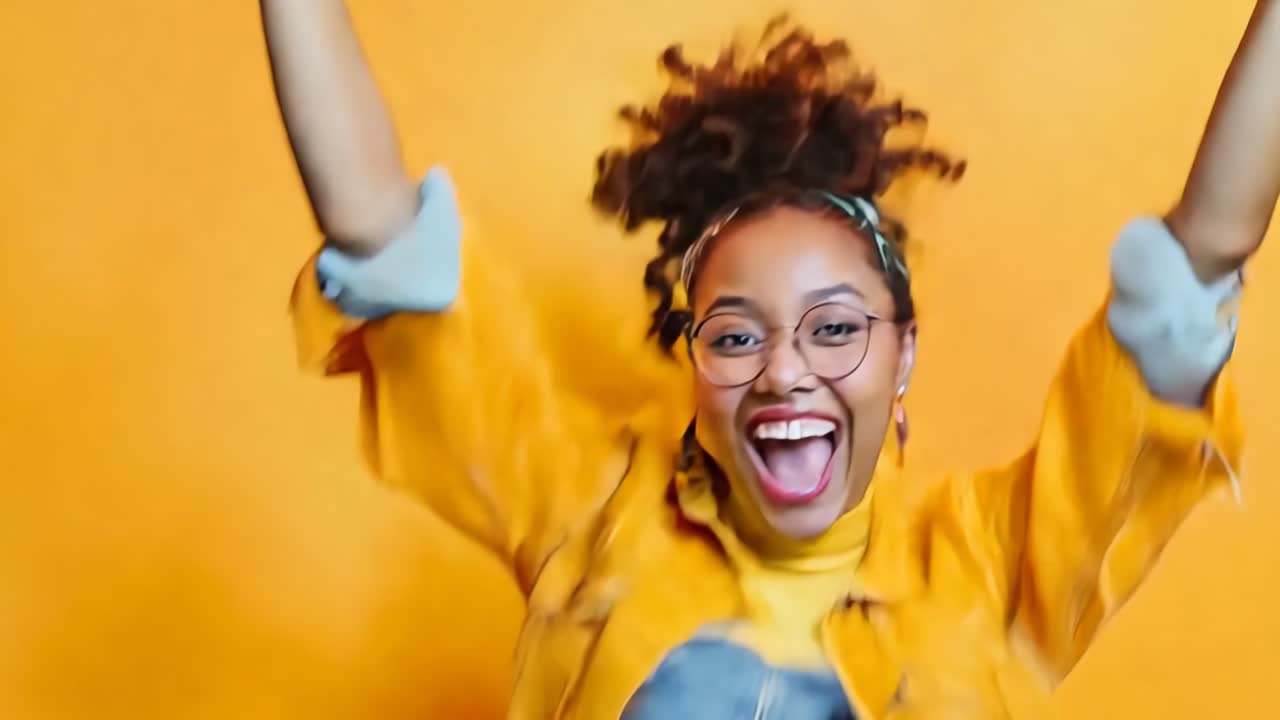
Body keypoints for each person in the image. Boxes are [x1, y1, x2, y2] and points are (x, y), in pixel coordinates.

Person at [263, 1, 1270, 717]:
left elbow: (1188, 275)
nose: (784, 371)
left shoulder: (992, 562)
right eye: (736, 335)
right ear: (692, 363)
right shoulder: (587, 509)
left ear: (902, 353)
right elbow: (380, 237)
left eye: (833, 327)